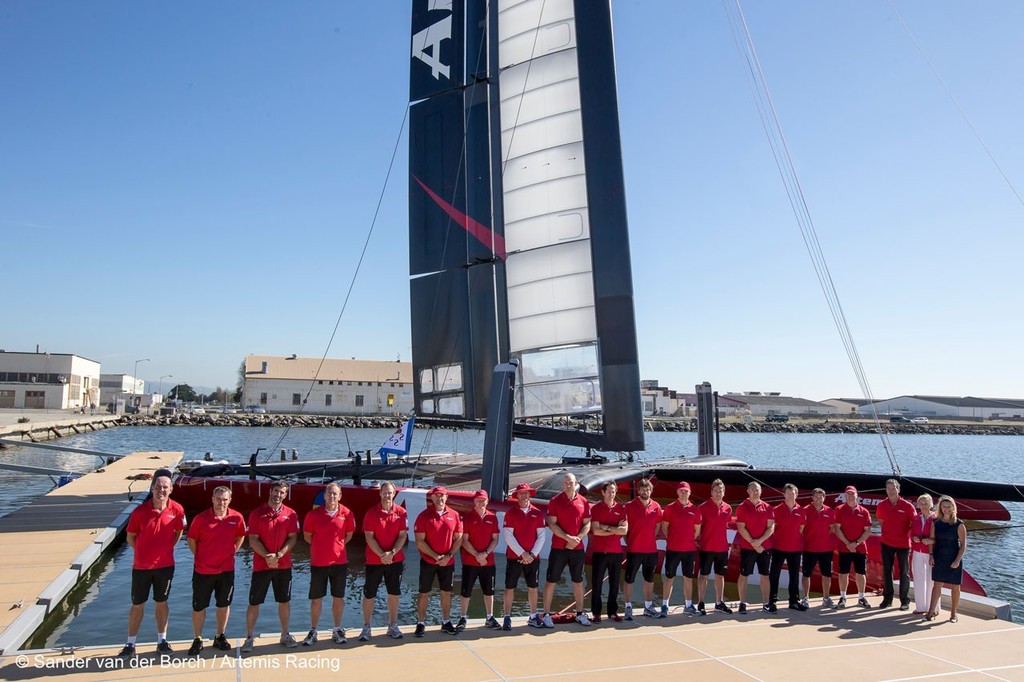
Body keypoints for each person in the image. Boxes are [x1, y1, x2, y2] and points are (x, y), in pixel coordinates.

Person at [119, 472, 186, 657]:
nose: (161, 490)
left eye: (165, 487)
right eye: (158, 487)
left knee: (162, 602)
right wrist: (143, 552)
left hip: (165, 566)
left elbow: (178, 533)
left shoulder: (178, 510)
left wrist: (164, 550)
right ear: (152, 488)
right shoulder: (139, 512)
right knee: (137, 604)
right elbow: (130, 537)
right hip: (141, 567)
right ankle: (130, 644)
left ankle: (162, 641)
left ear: (171, 489)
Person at [186, 486, 247, 656]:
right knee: (199, 607)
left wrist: (232, 551)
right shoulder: (201, 519)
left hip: (226, 570)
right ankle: (197, 638)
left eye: (225, 499)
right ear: (212, 499)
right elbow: (191, 540)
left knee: (223, 604)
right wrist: (201, 556)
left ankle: (220, 635)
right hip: (203, 570)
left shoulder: (236, 517)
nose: (221, 503)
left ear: (230, 500)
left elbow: (241, 535)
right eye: (218, 499)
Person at [243, 481, 300, 651]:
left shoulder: (291, 514)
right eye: (276, 491)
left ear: (285, 495)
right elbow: (252, 539)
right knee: (254, 602)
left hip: (283, 566)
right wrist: (267, 556)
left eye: (282, 493)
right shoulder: (256, 514)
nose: (278, 495)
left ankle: (285, 634)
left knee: (284, 601)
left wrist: (280, 555)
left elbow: (293, 538)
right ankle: (249, 637)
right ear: (270, 491)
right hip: (262, 566)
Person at [301, 482, 356, 646]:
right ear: (324, 495)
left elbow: (348, 535)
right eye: (329, 493)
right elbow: (307, 536)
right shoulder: (313, 515)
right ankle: (313, 630)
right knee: (316, 599)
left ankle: (337, 629)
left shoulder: (347, 513)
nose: (332, 496)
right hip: (319, 563)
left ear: (340, 496)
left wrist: (335, 548)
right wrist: (322, 547)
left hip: (339, 562)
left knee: (338, 598)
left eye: (335, 494)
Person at [542, 473, 592, 627]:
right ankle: (546, 614)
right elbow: (552, 524)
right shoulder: (555, 501)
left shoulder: (583, 502)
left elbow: (587, 524)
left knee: (578, 580)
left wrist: (578, 538)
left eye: (570, 482)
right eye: (565, 483)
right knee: (551, 581)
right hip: (559, 548)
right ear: (562, 485)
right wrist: (568, 538)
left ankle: (579, 613)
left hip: (577, 548)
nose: (568, 485)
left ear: (575, 483)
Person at [359, 481, 408, 641]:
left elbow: (402, 535)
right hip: (374, 560)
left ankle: (392, 625)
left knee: (393, 593)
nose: (387, 495)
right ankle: (366, 627)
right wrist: (382, 554)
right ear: (380, 493)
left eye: (390, 492)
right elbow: (369, 537)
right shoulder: (371, 513)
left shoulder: (401, 512)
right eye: (385, 492)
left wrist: (392, 553)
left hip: (395, 559)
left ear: (394, 494)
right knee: (369, 594)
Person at [414, 485, 463, 636]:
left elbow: (459, 538)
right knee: (424, 593)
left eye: (442, 496)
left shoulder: (454, 515)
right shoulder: (423, 516)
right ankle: (421, 623)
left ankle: (446, 621)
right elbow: (419, 541)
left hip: (447, 563)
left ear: (446, 497)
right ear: (432, 498)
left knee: (446, 592)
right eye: (436, 496)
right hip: (428, 562)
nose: (439, 498)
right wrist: (435, 556)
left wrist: (448, 555)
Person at [501, 482, 546, 630]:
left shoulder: (537, 513)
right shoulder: (511, 513)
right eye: (521, 493)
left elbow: (541, 536)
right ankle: (507, 617)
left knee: (533, 586)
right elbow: (508, 536)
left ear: (529, 495)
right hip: (515, 557)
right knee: (509, 587)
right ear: (517, 496)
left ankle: (533, 616)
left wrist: (532, 554)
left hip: (533, 557)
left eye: (526, 493)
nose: (524, 495)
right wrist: (522, 553)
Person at [458, 489, 502, 630]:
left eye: (483, 500)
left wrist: (486, 554)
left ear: (487, 501)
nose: (481, 502)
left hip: (488, 561)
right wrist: (478, 555)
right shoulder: (468, 518)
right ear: (474, 502)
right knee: (466, 591)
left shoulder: (492, 518)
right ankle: (463, 617)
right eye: (478, 500)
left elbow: (495, 539)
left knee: (489, 591)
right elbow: (464, 540)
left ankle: (489, 616)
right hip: (470, 561)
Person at [623, 478, 663, 619]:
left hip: (651, 550)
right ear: (638, 491)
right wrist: (631, 541)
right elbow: (624, 529)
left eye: (648, 489)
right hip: (634, 550)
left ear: (651, 491)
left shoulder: (656, 507)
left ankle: (648, 606)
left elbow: (657, 527)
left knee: (649, 579)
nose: (645, 491)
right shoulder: (629, 506)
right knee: (629, 579)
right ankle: (628, 606)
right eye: (642, 489)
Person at [660, 481, 701, 616]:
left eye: (686, 491)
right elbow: (665, 527)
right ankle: (665, 604)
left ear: (689, 493)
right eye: (681, 491)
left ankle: (688, 604)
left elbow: (697, 530)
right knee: (669, 577)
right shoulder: (670, 508)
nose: (684, 493)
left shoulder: (695, 510)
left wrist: (687, 540)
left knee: (688, 578)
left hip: (689, 550)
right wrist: (673, 539)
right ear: (677, 492)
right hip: (673, 548)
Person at [589, 481, 627, 622]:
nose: (612, 494)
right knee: (597, 583)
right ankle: (596, 613)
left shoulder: (621, 509)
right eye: (609, 491)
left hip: (616, 552)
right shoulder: (597, 509)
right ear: (603, 492)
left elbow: (624, 530)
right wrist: (614, 530)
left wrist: (607, 528)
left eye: (614, 491)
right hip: (600, 552)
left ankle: (612, 612)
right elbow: (596, 531)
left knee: (614, 584)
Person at [735, 481, 775, 613]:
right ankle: (742, 602)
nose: (755, 491)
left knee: (765, 575)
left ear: (761, 491)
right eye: (752, 489)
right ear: (748, 491)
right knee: (744, 574)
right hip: (748, 547)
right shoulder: (742, 507)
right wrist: (753, 542)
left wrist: (760, 542)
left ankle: (766, 603)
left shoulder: (767, 507)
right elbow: (741, 528)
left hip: (764, 547)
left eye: (757, 489)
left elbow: (771, 527)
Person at [926, 495, 967, 623]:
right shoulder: (936, 523)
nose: (946, 509)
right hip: (939, 556)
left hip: (953, 557)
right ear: (940, 508)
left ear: (953, 507)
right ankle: (931, 611)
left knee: (955, 586)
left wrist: (957, 560)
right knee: (937, 585)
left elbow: (963, 544)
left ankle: (954, 614)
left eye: (949, 506)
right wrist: (931, 556)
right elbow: (932, 541)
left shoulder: (959, 524)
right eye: (944, 506)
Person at [876, 478, 915, 610]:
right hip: (886, 542)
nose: (891, 491)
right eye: (888, 489)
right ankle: (887, 599)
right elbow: (881, 521)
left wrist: (904, 535)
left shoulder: (908, 506)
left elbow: (912, 524)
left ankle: (905, 600)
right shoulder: (882, 505)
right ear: (886, 490)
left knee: (904, 573)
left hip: (903, 543)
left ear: (898, 489)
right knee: (887, 571)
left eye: (894, 489)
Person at [697, 479, 733, 615]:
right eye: (716, 491)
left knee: (720, 576)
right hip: (707, 547)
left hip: (722, 548)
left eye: (721, 491)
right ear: (711, 492)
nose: (718, 493)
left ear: (724, 493)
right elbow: (698, 527)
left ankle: (719, 602)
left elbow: (727, 524)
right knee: (704, 576)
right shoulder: (703, 507)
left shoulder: (728, 508)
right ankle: (701, 602)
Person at [768, 483, 807, 612]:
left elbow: (801, 529)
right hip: (778, 547)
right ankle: (772, 601)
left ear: (797, 495)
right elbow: (773, 528)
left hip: (795, 549)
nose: (791, 496)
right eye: (788, 493)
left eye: (793, 493)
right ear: (784, 494)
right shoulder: (777, 510)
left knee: (794, 576)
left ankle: (794, 601)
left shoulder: (801, 510)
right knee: (774, 575)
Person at [833, 485, 872, 608]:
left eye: (852, 494)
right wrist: (847, 543)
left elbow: (867, 531)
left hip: (859, 548)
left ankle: (861, 597)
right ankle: (843, 597)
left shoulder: (864, 512)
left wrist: (856, 543)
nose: (850, 496)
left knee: (861, 573)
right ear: (845, 496)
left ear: (857, 495)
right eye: (848, 494)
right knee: (843, 573)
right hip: (845, 547)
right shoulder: (839, 509)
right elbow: (837, 529)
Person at [801, 487, 837, 608]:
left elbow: (832, 528)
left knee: (827, 574)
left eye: (820, 497)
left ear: (824, 498)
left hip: (826, 549)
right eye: (816, 497)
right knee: (806, 574)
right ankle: (805, 598)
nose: (818, 499)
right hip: (809, 548)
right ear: (812, 498)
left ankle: (826, 598)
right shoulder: (805, 510)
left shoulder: (829, 511)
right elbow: (801, 529)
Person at [910, 493, 937, 615]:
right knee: (919, 578)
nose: (924, 506)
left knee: (931, 579)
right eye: (921, 504)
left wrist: (931, 541)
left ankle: (934, 607)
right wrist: (914, 538)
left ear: (931, 504)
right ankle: (921, 606)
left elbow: (941, 537)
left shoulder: (936, 518)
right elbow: (911, 534)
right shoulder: (916, 518)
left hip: (931, 552)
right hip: (917, 551)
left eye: (926, 504)